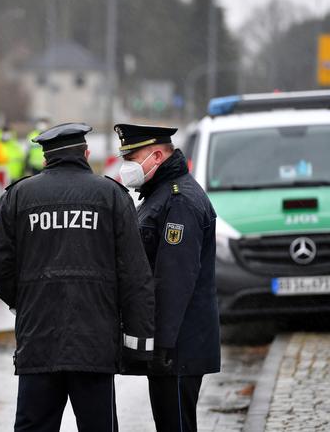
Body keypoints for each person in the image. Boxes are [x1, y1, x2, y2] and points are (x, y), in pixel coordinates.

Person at [0, 123, 155, 432]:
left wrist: (24, 299)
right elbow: (135, 274)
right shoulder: (111, 196)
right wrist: (139, 343)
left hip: (38, 339)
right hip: (95, 343)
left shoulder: (19, 196)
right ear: (85, 154)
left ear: (46, 159)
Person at [115, 123, 221, 432]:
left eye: (132, 159)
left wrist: (161, 345)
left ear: (157, 155)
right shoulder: (159, 195)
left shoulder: (179, 201)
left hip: (178, 347)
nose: (127, 167)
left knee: (176, 425)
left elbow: (174, 280)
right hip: (173, 344)